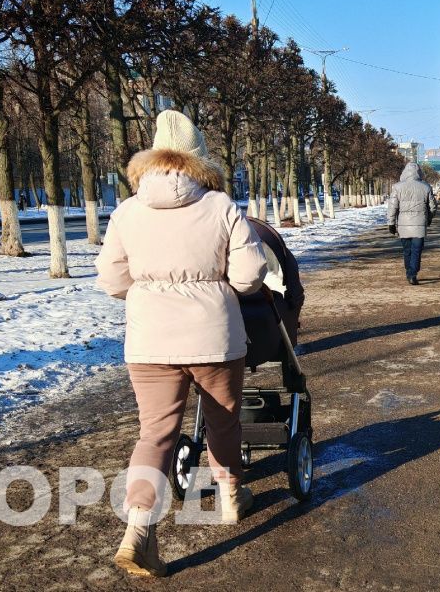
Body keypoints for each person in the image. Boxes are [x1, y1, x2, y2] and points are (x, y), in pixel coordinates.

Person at [95, 109, 267, 578]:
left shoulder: (127, 212)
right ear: (199, 158)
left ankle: (137, 529)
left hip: (149, 341)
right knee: (223, 422)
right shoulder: (220, 206)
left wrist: (149, 293)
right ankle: (230, 497)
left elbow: (111, 278)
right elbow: (250, 275)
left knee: (155, 434)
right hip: (214, 338)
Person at [387, 162, 437, 285]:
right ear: (419, 172)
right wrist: (429, 218)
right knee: (416, 250)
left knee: (407, 250)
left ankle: (409, 271)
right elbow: (433, 207)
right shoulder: (425, 187)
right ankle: (413, 273)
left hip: (403, 225)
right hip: (419, 224)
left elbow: (392, 207)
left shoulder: (397, 187)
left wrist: (391, 223)